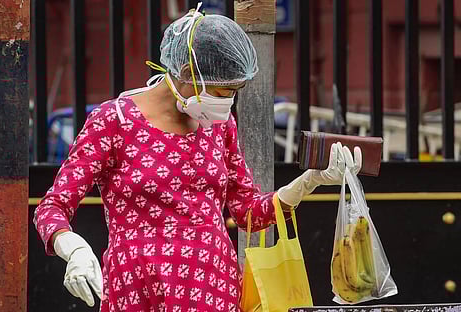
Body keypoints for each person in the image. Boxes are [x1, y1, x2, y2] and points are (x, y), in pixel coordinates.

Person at [33, 4, 362, 312]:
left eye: (234, 92)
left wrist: (310, 180)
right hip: (138, 290)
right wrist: (72, 249)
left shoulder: (219, 126)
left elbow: (248, 210)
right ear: (187, 72)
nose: (228, 103)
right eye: (221, 92)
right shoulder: (113, 121)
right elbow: (52, 207)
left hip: (212, 287)